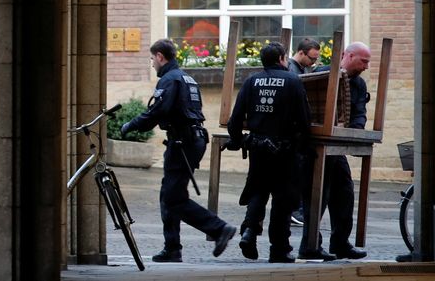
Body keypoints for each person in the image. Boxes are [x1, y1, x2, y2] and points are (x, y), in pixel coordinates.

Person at [120, 39, 236, 263]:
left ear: (161, 57)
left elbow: (156, 112)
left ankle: (219, 228)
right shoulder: (187, 77)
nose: (152, 63)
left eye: (152, 59)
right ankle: (172, 248)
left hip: (183, 142)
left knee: (173, 197)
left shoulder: (169, 79)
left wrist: (130, 126)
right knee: (169, 194)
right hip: (190, 140)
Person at [226, 42, 312, 263]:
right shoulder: (293, 81)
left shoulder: (251, 81)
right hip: (284, 149)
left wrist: (237, 140)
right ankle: (279, 248)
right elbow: (304, 120)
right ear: (283, 58)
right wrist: (305, 147)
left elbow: (235, 119)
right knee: (283, 199)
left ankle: (249, 233)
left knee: (258, 190)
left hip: (257, 147)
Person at [298, 41, 371, 261]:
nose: (366, 66)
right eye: (363, 61)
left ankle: (340, 243)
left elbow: (359, 112)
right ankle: (310, 245)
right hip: (315, 146)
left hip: (336, 147)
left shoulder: (358, 85)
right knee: (318, 196)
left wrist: (355, 132)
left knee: (345, 194)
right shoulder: (321, 75)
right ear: (348, 56)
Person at [287, 39, 321, 226]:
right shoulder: (292, 71)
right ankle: (295, 210)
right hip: (294, 130)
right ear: (301, 53)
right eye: (311, 59)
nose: (313, 63)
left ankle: (297, 209)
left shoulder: (301, 69)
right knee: (298, 170)